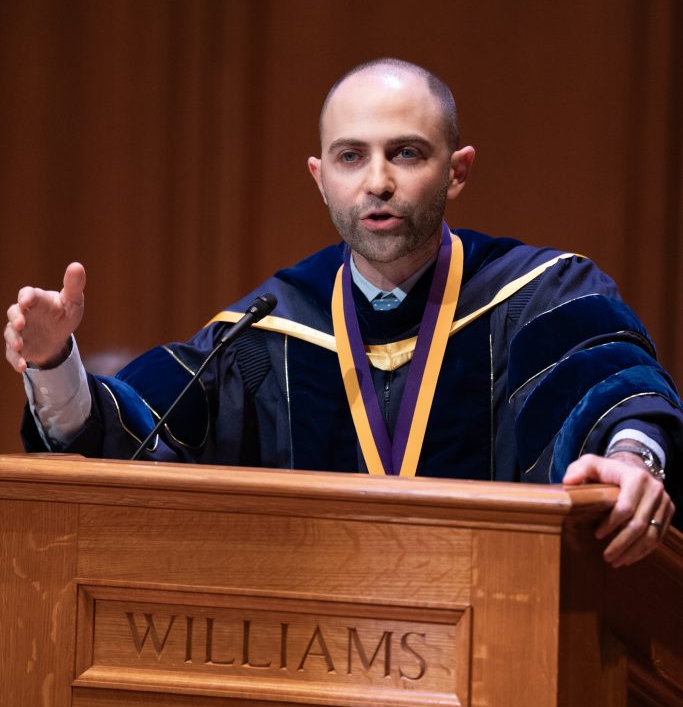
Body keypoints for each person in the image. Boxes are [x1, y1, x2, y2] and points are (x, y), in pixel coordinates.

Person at [5, 59, 681, 567]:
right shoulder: (265, 333)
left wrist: (632, 458)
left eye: (406, 153)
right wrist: (54, 364)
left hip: (508, 646)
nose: (377, 180)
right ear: (319, 176)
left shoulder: (539, 297)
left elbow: (619, 390)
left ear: (457, 170)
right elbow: (142, 435)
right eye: (350, 156)